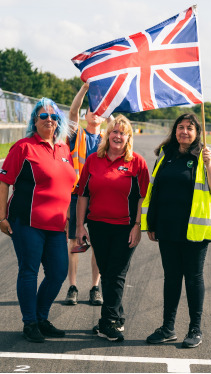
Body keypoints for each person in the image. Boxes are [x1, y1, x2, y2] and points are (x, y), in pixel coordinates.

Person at [0, 97, 76, 343]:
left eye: (54, 116)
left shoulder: (64, 149)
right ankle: (30, 322)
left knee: (58, 272)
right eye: (43, 116)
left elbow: (67, 187)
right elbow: (3, 183)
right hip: (27, 222)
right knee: (29, 271)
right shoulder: (23, 147)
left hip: (56, 225)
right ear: (34, 120)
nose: (49, 120)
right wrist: (0, 217)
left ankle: (41, 317)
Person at [141, 112, 211, 348]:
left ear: (198, 133)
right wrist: (152, 223)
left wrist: (208, 163)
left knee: (193, 278)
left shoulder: (209, 155)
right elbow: (155, 190)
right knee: (171, 279)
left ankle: (195, 329)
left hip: (194, 231)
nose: (184, 131)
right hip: (167, 228)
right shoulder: (165, 155)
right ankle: (168, 327)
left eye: (190, 128)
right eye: (180, 127)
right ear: (174, 131)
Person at [76, 115, 150, 342]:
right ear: (107, 135)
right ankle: (117, 316)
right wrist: (80, 226)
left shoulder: (137, 162)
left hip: (125, 227)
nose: (118, 136)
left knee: (117, 273)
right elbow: (82, 195)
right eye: (114, 132)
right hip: (97, 226)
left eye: (122, 132)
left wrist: (138, 226)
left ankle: (106, 322)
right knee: (107, 272)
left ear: (129, 138)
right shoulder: (93, 160)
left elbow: (143, 198)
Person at [65, 82, 113, 306]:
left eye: (99, 111)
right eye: (91, 110)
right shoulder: (78, 135)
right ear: (85, 116)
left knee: (99, 243)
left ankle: (95, 287)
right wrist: (84, 90)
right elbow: (73, 112)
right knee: (75, 241)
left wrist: (107, 104)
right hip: (76, 196)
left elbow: (115, 124)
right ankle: (72, 286)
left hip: (100, 197)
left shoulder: (108, 139)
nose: (95, 113)